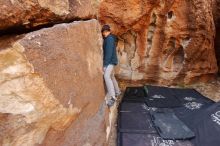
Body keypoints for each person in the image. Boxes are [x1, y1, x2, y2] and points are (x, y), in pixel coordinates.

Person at [101, 24, 121, 107]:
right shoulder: (110, 38)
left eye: (105, 32)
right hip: (112, 61)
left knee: (106, 76)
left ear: (108, 31)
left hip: (110, 62)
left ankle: (112, 97)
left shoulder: (109, 39)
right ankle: (117, 92)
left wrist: (105, 64)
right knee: (112, 76)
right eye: (103, 32)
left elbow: (108, 53)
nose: (103, 34)